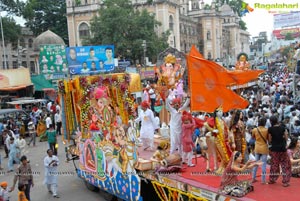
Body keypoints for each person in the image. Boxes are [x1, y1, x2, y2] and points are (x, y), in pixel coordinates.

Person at [204, 106, 235, 174]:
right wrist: (213, 130)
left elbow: (226, 129)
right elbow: (205, 124)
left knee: (227, 154)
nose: (221, 113)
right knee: (223, 155)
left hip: (224, 140)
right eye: (219, 111)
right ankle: (223, 169)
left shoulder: (222, 120)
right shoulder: (214, 119)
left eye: (221, 111)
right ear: (216, 112)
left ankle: (224, 168)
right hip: (218, 140)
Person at [268, 115, 291, 187]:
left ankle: (272, 179)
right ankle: (285, 181)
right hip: (282, 149)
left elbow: (269, 140)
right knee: (285, 165)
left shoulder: (270, 129)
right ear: (277, 120)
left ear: (271, 121)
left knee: (274, 164)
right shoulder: (283, 128)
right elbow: (286, 137)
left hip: (274, 149)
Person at [251, 117, 269, 184]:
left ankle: (253, 178)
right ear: (265, 123)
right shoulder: (267, 130)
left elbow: (252, 137)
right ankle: (263, 180)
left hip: (257, 147)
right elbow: (269, 140)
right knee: (263, 164)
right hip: (264, 148)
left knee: (256, 163)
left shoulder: (255, 129)